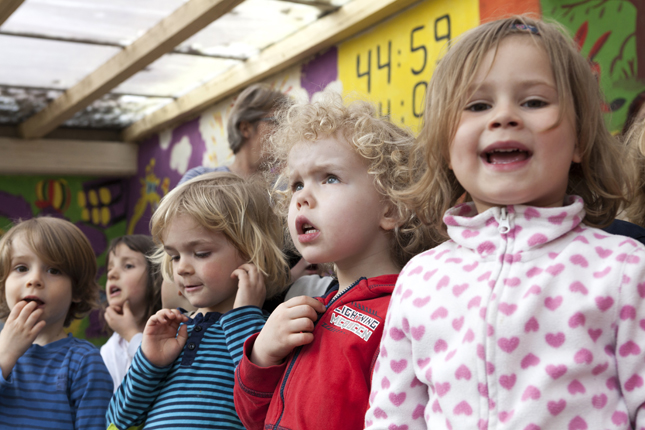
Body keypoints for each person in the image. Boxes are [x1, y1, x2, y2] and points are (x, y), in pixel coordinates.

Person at [365, 17, 645, 430]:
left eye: (533, 102)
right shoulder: (420, 279)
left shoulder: (623, 269)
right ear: (445, 144)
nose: (504, 116)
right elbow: (393, 416)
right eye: (477, 105)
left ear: (581, 138)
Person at [233, 95, 434, 430]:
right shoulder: (309, 308)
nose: (301, 197)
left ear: (392, 208)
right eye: (296, 183)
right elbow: (253, 418)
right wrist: (262, 356)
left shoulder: (406, 311)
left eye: (328, 178)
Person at [106, 172, 289, 430]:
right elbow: (117, 420)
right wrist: (150, 361)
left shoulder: (267, 331)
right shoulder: (174, 329)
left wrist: (245, 316)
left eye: (200, 253)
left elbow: (266, 405)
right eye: (175, 256)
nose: (181, 269)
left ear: (251, 250)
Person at [0, 217, 113, 429]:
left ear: (77, 291)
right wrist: (5, 355)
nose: (34, 279)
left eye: (53, 270)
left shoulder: (83, 362)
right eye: (21, 268)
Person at [179, 83, 289, 184]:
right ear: (245, 128)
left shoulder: (284, 190)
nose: (287, 131)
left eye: (288, 123)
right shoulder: (199, 181)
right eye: (278, 122)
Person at [100, 235, 162, 392]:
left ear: (155, 277)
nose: (111, 274)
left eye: (127, 266)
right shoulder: (109, 350)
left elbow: (159, 376)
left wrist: (131, 334)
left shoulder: (172, 331)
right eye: (109, 269)